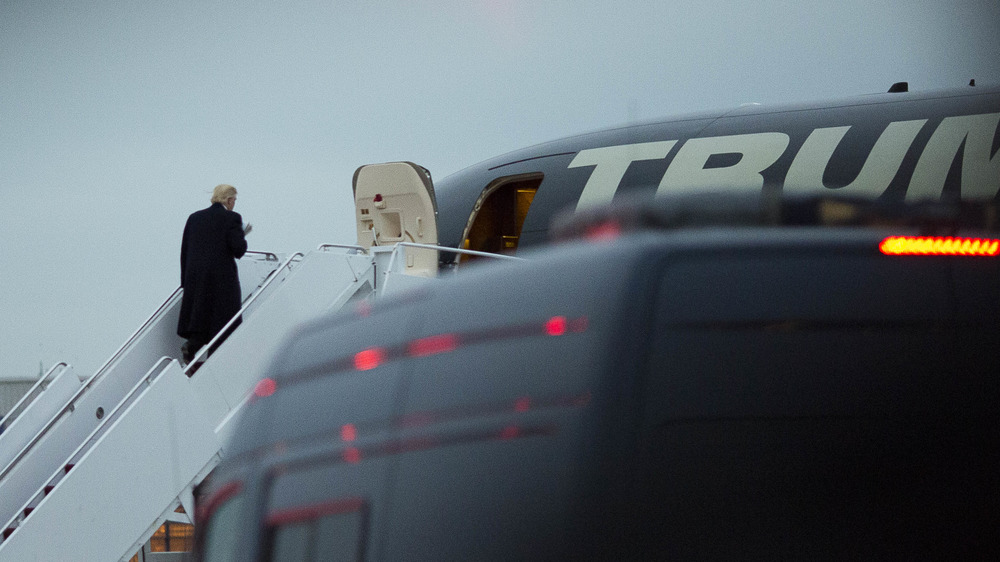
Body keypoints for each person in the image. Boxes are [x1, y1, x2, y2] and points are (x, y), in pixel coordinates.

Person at [177, 184, 251, 365]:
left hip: (195, 279)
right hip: (221, 280)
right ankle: (213, 362)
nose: (234, 203)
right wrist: (241, 234)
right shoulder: (232, 218)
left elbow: (184, 250)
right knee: (223, 323)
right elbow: (238, 249)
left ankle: (192, 346)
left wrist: (185, 281)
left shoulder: (194, 218)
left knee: (201, 319)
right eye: (234, 200)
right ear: (228, 200)